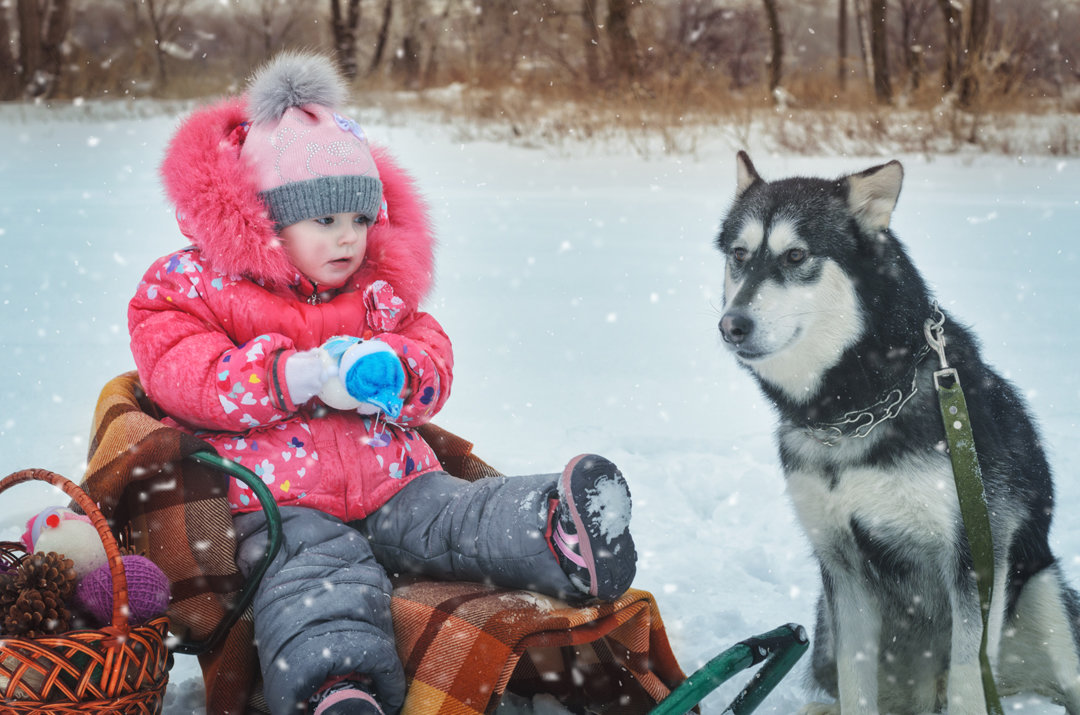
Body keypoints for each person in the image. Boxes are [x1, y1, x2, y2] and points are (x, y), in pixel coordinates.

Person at [128, 51, 637, 715]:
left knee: (458, 514)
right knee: (318, 579)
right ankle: (337, 689)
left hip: (394, 476)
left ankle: (560, 530)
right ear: (267, 222)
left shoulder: (374, 289)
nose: (349, 239)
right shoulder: (195, 287)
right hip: (281, 504)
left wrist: (401, 369)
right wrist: (296, 374)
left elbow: (431, 352)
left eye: (360, 220)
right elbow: (183, 374)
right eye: (326, 220)